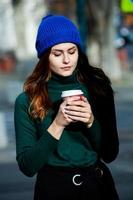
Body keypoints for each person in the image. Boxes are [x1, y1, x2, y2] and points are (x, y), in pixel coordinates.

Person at [14, 14, 119, 200]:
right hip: (54, 190)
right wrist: (58, 124)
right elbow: (28, 167)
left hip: (98, 187)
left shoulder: (98, 90)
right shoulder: (27, 100)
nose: (66, 60)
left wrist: (90, 121)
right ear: (45, 56)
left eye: (72, 51)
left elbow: (110, 153)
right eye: (57, 53)